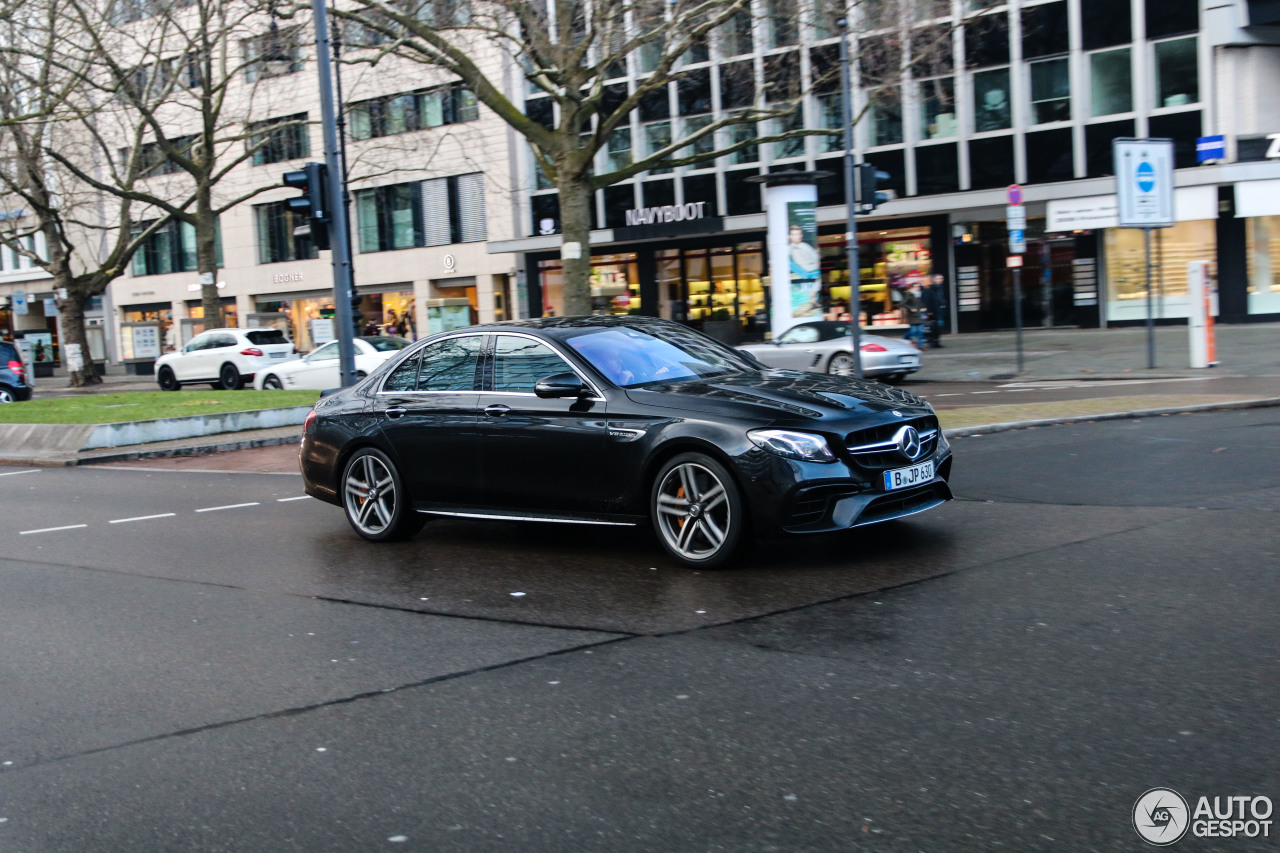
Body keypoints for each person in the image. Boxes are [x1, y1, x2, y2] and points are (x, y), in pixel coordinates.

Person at [922, 273, 947, 348]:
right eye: (939, 278)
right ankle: (934, 341)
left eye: (942, 278)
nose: (941, 280)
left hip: (939, 310)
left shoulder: (940, 288)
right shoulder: (930, 289)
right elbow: (927, 301)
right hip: (934, 311)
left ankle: (935, 341)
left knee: (938, 327)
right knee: (934, 326)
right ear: (934, 280)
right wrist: (928, 311)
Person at [900, 285, 926, 349]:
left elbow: (923, 303)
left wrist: (924, 308)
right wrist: (910, 308)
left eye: (918, 286)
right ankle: (906, 340)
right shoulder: (909, 295)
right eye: (916, 287)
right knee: (913, 332)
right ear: (912, 288)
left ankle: (920, 346)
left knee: (920, 331)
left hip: (920, 315)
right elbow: (902, 304)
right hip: (913, 316)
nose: (918, 288)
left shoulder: (921, 295)